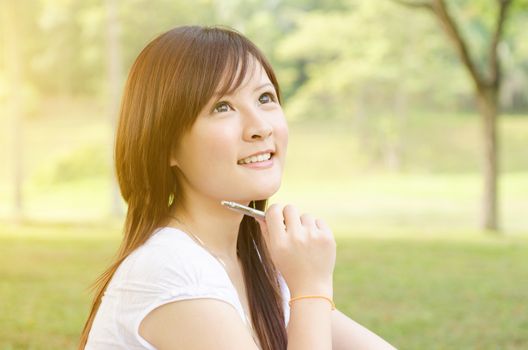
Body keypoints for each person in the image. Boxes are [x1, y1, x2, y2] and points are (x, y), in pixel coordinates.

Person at [79, 25, 397, 350]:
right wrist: (311, 289)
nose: (260, 126)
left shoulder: (256, 262)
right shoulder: (169, 270)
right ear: (167, 145)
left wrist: (303, 286)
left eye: (265, 98)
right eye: (222, 107)